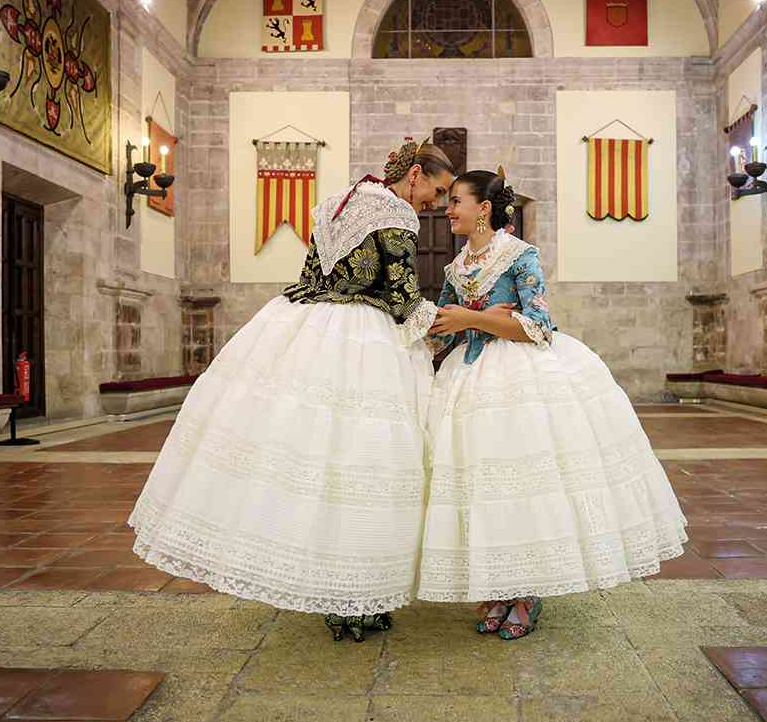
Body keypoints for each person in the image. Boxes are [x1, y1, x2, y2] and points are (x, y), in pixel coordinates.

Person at [129, 138, 454, 642]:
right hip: (364, 344)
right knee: (364, 465)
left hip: (309, 330)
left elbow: (311, 276)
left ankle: (329, 590)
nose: (436, 201)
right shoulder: (396, 215)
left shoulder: (338, 203)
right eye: (437, 189)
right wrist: (450, 326)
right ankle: (358, 595)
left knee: (318, 463)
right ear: (415, 175)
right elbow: (403, 297)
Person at [417, 169, 688, 639]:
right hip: (467, 381)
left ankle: (526, 592)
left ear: (484, 208)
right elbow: (444, 326)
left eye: (456, 200)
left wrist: (474, 318)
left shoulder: (520, 255)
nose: (448, 209)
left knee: (524, 483)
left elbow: (539, 326)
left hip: (518, 380)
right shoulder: (454, 267)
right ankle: (499, 585)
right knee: (485, 487)